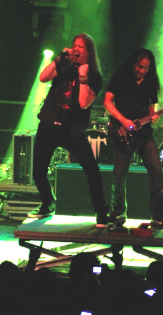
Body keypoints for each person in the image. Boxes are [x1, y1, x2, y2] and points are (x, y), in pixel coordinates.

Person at [27, 33, 108, 226]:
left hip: (72, 129)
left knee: (91, 169)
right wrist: (59, 58)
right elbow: (43, 77)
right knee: (38, 171)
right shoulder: (64, 65)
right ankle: (48, 202)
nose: (76, 49)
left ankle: (101, 211)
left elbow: (83, 103)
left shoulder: (94, 76)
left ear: (89, 51)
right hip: (49, 124)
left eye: (81, 46)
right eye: (75, 45)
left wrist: (82, 77)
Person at [103, 48, 163, 230]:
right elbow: (107, 101)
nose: (142, 71)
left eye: (146, 68)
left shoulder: (151, 80)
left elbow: (151, 106)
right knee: (119, 175)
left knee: (157, 172)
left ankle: (158, 217)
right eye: (140, 67)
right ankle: (118, 214)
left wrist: (153, 115)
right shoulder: (121, 75)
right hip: (123, 131)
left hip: (144, 132)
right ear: (134, 63)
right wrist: (124, 121)